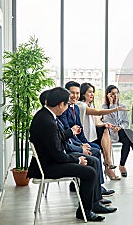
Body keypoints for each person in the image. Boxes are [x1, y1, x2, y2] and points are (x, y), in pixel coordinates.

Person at [28, 87, 106, 221]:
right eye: (67, 104)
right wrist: (77, 161)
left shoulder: (45, 115)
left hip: (51, 159)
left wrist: (70, 132)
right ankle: (84, 212)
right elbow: (58, 155)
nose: (67, 108)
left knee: (92, 161)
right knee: (89, 172)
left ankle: (94, 203)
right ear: (60, 105)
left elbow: (55, 139)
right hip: (49, 166)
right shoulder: (47, 122)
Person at [58, 81, 115, 196]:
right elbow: (67, 134)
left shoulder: (76, 109)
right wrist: (80, 146)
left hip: (76, 142)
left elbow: (80, 131)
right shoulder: (63, 110)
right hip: (69, 146)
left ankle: (97, 186)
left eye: (77, 93)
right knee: (94, 152)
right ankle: (95, 188)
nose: (75, 96)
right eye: (72, 93)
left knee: (95, 148)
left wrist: (84, 143)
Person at [102, 84, 133, 177]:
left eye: (117, 93)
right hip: (110, 134)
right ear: (108, 95)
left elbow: (126, 122)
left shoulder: (122, 106)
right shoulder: (104, 108)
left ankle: (122, 165)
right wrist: (112, 104)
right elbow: (109, 121)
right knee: (128, 134)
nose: (115, 95)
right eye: (112, 94)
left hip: (122, 132)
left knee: (127, 139)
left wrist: (120, 127)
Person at [77, 82, 125, 180]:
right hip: (84, 138)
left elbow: (97, 122)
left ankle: (108, 163)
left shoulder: (89, 105)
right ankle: (108, 164)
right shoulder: (81, 105)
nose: (92, 94)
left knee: (105, 130)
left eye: (93, 92)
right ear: (83, 94)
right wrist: (115, 109)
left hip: (91, 136)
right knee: (104, 138)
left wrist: (105, 124)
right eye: (90, 92)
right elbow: (98, 113)